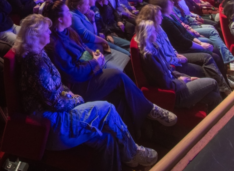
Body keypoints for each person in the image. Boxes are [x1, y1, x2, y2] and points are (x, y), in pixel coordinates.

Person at [14, 14, 159, 171]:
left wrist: (68, 93)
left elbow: (58, 86)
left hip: (58, 112)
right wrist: (76, 99)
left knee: (107, 138)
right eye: (46, 30)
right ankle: (133, 152)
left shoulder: (40, 53)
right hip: (53, 124)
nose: (50, 32)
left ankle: (125, 158)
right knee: (107, 108)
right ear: (35, 35)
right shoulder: (35, 63)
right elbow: (55, 103)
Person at [43, 1, 177, 136]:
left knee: (119, 97)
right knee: (117, 75)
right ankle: (150, 109)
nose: (71, 15)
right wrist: (94, 63)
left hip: (90, 72)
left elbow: (83, 48)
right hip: (80, 85)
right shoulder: (55, 44)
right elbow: (73, 74)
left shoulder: (68, 31)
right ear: (60, 19)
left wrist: (93, 54)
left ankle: (139, 131)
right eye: (67, 12)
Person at [135, 20, 221, 111]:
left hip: (176, 83)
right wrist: (182, 81)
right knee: (213, 82)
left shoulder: (154, 48)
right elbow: (165, 82)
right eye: (153, 30)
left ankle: (219, 120)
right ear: (147, 34)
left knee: (214, 97)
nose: (157, 32)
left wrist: (187, 77)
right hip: (176, 93)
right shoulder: (149, 57)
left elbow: (169, 69)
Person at [67, 0, 129, 71]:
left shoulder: (82, 14)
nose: (89, 6)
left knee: (128, 55)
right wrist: (102, 40)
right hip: (91, 49)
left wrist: (93, 20)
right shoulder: (74, 16)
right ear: (79, 6)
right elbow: (86, 36)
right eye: (86, 4)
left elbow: (94, 33)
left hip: (97, 44)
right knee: (125, 62)